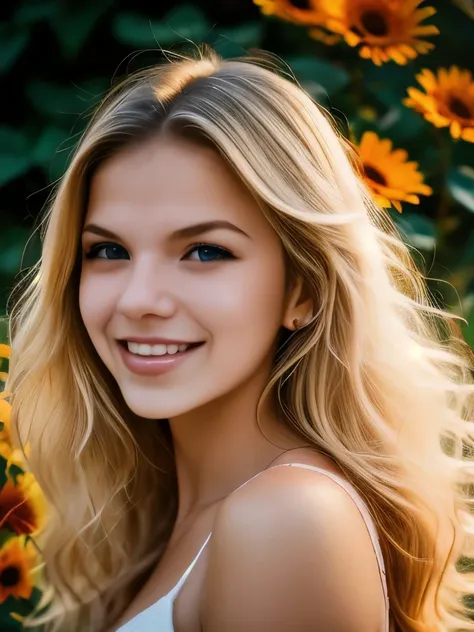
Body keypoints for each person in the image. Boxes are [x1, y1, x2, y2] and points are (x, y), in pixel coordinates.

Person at [6, 44, 474, 632]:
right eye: (108, 251)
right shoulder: (151, 519)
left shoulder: (287, 518)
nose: (138, 299)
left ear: (302, 290)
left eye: (206, 251)